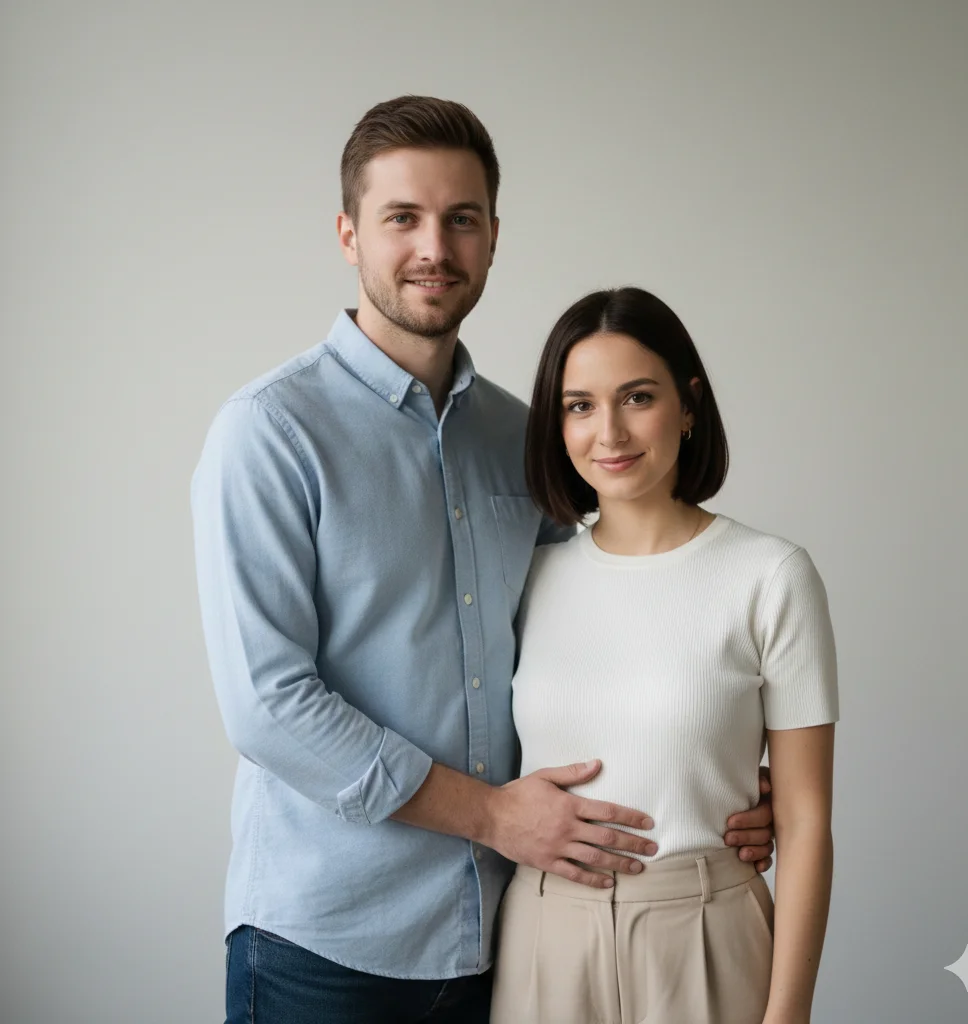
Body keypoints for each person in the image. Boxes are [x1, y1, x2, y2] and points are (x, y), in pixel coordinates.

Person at [191, 96, 775, 1024]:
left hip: (502, 939)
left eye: (462, 219)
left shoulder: (526, 436)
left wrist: (724, 771)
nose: (436, 246)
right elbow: (269, 707)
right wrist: (496, 817)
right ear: (348, 234)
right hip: (324, 946)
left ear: (494, 237)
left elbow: (600, 631)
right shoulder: (269, 433)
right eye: (402, 218)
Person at [490, 287, 838, 1024]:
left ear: (688, 404)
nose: (608, 432)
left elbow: (805, 822)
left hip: (707, 935)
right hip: (544, 939)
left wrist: (789, 1016)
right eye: (579, 405)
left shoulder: (771, 576)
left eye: (636, 397)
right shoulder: (529, 577)